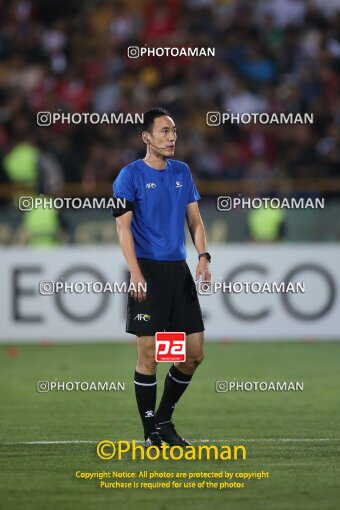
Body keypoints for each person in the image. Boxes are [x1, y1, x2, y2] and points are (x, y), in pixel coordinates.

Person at [112, 107, 211, 447]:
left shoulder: (182, 172)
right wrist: (136, 273)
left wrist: (202, 257)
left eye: (174, 131)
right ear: (146, 137)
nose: (172, 137)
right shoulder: (129, 175)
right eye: (165, 131)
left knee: (193, 354)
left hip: (178, 272)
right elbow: (122, 228)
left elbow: (195, 221)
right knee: (150, 354)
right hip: (148, 271)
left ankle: (165, 419)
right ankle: (150, 432)